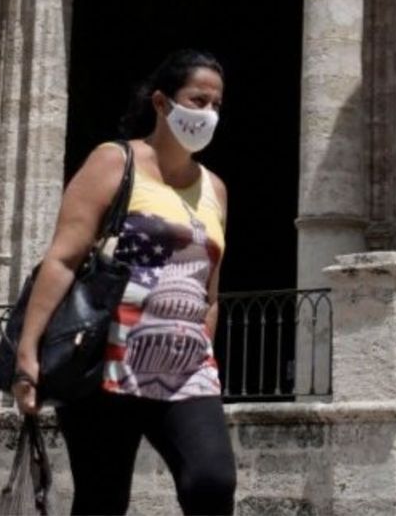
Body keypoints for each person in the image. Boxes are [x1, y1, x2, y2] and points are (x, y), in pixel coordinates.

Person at [14, 49, 237, 516]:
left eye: (216, 105)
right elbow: (62, 258)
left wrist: (203, 350)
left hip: (184, 367)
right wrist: (28, 355)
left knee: (212, 483)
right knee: (102, 500)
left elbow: (209, 292)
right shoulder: (116, 162)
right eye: (198, 100)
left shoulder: (215, 189)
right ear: (161, 103)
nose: (208, 114)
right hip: (106, 363)